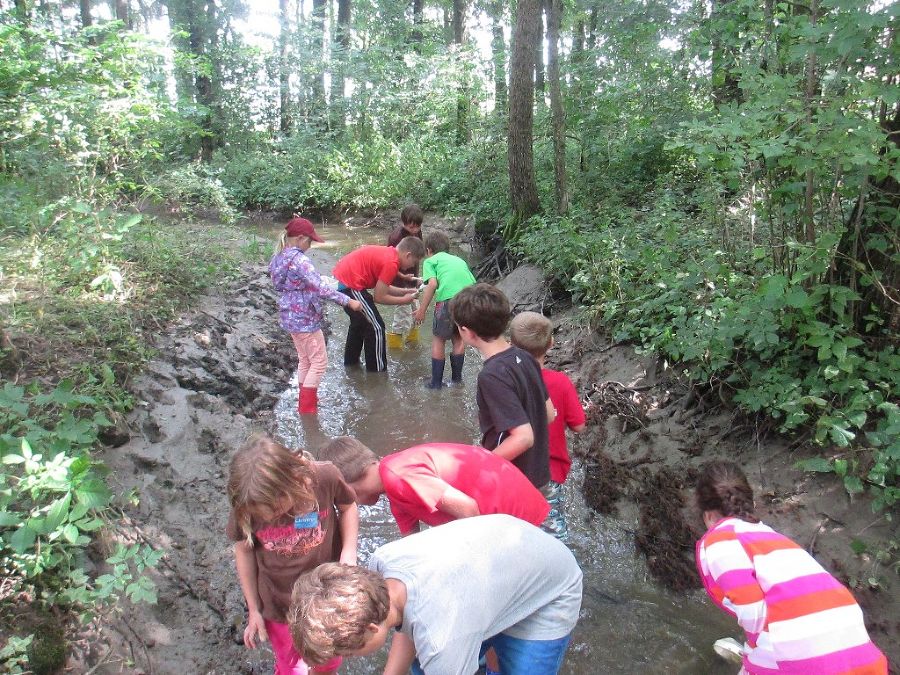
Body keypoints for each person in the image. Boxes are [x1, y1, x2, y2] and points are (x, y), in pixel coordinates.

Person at [287, 514, 583, 675]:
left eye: (346, 653)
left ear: (372, 629)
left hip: (551, 589)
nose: (346, 658)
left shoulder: (441, 640)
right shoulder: (382, 565)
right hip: (503, 560)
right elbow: (408, 622)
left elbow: (426, 629)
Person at [695, 460, 888, 674]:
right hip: (862, 658)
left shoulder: (720, 542)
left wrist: (752, 661)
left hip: (803, 660)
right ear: (752, 504)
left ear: (708, 515)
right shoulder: (773, 539)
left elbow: (755, 619)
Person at [226, 434, 360, 675]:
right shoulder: (249, 505)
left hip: (324, 596)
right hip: (279, 604)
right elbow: (244, 550)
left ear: (292, 480)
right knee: (292, 668)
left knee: (327, 660)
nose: (269, 518)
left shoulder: (324, 477)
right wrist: (254, 609)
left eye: (275, 510)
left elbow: (348, 506)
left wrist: (349, 551)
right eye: (263, 515)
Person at [316, 437, 550, 535]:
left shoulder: (399, 477)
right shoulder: (392, 488)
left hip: (521, 521)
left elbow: (468, 510)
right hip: (516, 512)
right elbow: (412, 542)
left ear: (346, 487)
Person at [450, 283, 555, 490]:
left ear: (466, 331)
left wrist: (481, 465)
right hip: (539, 474)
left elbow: (523, 438)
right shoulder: (526, 357)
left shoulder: (492, 375)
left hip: (513, 480)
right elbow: (549, 415)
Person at [270, 217, 363, 415]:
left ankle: (306, 401)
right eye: (309, 241)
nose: (310, 246)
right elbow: (320, 288)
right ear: (301, 238)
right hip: (305, 318)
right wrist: (349, 301)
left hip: (290, 316)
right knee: (319, 362)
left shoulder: (279, 257)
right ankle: (307, 409)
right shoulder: (300, 260)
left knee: (305, 360)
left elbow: (282, 284)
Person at [509, 311, 586, 540]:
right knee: (552, 526)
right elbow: (579, 426)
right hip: (548, 471)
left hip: (514, 468)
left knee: (517, 522)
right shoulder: (560, 382)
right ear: (551, 344)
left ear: (512, 345)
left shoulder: (505, 380)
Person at [332, 237, 426, 372]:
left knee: (359, 323)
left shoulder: (390, 254)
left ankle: (351, 366)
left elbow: (384, 287)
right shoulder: (392, 263)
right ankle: (377, 374)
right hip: (351, 284)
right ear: (408, 255)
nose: (412, 266)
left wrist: (406, 292)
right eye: (414, 262)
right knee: (376, 327)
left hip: (344, 281)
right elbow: (379, 297)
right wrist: (404, 300)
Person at [412, 231, 476, 388]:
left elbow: (432, 284)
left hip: (447, 301)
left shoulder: (431, 261)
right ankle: (456, 380)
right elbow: (471, 282)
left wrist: (422, 310)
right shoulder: (459, 260)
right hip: (468, 300)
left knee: (439, 339)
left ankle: (436, 383)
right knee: (459, 338)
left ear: (428, 250)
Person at [386, 204, 425, 349]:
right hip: (399, 282)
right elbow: (390, 263)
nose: (414, 230)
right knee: (402, 314)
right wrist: (403, 279)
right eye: (411, 227)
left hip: (412, 279)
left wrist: (416, 278)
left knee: (417, 311)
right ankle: (396, 349)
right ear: (403, 223)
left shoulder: (417, 233)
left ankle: (411, 342)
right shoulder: (396, 237)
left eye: (417, 227)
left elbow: (418, 256)